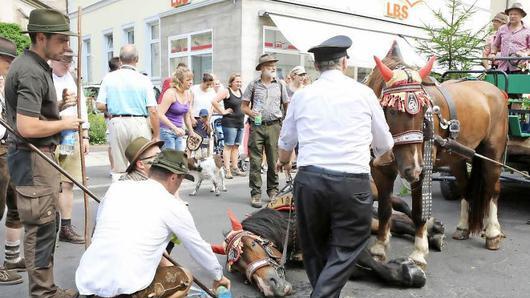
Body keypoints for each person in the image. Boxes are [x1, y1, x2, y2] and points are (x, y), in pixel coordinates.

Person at [276, 35, 394, 297]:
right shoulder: (364, 94)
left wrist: (282, 161)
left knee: (314, 249)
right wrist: (377, 157)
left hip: (310, 182)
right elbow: (385, 144)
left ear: (317, 67)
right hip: (352, 183)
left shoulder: (302, 96)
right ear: (343, 62)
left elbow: (285, 142)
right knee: (347, 248)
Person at [75, 149, 230, 297]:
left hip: (87, 282)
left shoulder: (117, 187)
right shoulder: (173, 205)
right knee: (185, 277)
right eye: (182, 179)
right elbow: (198, 247)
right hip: (126, 289)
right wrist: (218, 276)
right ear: (174, 178)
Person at [4, 8, 82, 298]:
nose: (66, 47)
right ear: (41, 37)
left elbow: (31, 116)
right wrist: (65, 122)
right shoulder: (31, 71)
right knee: (42, 226)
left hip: (35, 156)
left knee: (46, 224)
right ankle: (43, 293)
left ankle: (45, 289)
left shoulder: (33, 66)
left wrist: (57, 107)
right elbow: (25, 126)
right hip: (33, 157)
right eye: (61, 40)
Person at [96, 44, 160, 179]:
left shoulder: (109, 78)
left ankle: (119, 193)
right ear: (136, 59)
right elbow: (153, 110)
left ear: (120, 59)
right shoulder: (144, 79)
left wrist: (114, 106)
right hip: (139, 122)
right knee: (143, 163)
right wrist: (156, 134)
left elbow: (100, 105)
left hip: (117, 121)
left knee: (119, 167)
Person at [50, 48, 89, 244]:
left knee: (67, 182)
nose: (66, 64)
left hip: (71, 136)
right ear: (52, 60)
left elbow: (82, 108)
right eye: (63, 61)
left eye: (69, 61)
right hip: (50, 135)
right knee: (51, 183)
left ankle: (65, 226)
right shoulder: (45, 77)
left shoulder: (72, 77)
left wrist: (85, 135)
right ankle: (52, 224)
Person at [242, 53, 289, 208]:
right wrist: (251, 113)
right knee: (255, 161)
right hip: (257, 126)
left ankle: (273, 191)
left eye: (274, 65)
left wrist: (286, 124)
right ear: (261, 68)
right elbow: (243, 106)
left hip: (275, 125)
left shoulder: (280, 84)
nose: (273, 68)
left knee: (273, 160)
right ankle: (255, 193)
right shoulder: (253, 85)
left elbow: (287, 106)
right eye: (269, 66)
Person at [0, 36, 25, 286]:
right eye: (6, 59)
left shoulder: (2, 83)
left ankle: (11, 258)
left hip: (8, 149)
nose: (10, 64)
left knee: (15, 205)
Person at [212, 73, 245, 179]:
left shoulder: (240, 92)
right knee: (228, 146)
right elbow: (214, 101)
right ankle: (227, 170)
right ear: (231, 82)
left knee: (236, 146)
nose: (239, 83)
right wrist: (222, 111)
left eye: (240, 81)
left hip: (240, 122)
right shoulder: (226, 91)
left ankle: (235, 167)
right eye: (237, 81)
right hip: (229, 123)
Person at [159, 66, 197, 151]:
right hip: (166, 131)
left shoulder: (189, 94)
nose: (191, 82)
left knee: (179, 160)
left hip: (180, 131)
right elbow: (160, 114)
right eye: (188, 80)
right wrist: (174, 128)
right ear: (179, 81)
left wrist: (191, 131)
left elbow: (186, 116)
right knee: (170, 161)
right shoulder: (171, 93)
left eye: (191, 80)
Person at [490, 3, 530, 72]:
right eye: (510, 14)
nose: (512, 16)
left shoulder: (528, 30)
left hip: (520, 68)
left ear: (521, 16)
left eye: (515, 14)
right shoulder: (502, 29)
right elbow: (495, 45)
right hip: (503, 68)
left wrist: (524, 54)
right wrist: (493, 53)